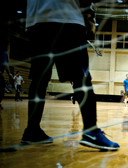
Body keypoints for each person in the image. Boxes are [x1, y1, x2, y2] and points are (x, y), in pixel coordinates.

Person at [21, 0, 119, 150]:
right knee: (81, 78)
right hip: (66, 19)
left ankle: (32, 130)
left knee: (39, 79)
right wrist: (90, 20)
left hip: (36, 22)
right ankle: (91, 131)